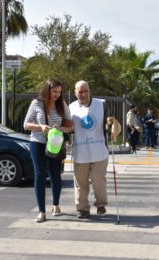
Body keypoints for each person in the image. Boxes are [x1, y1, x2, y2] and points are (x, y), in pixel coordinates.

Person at [23, 78, 73, 223]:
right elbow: (26, 124)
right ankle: (41, 211)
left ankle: (56, 204)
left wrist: (62, 128)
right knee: (39, 175)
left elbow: (70, 126)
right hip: (38, 143)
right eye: (54, 91)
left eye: (59, 92)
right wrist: (40, 127)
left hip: (56, 144)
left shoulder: (62, 105)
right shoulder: (36, 103)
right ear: (47, 90)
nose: (57, 94)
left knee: (55, 175)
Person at [70, 80, 109, 219]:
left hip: (99, 149)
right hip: (81, 151)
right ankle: (82, 209)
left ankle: (101, 204)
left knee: (99, 180)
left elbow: (107, 123)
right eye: (80, 91)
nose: (83, 94)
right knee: (80, 183)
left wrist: (111, 124)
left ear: (90, 91)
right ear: (75, 93)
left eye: (85, 91)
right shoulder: (71, 107)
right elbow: (70, 128)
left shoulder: (101, 104)